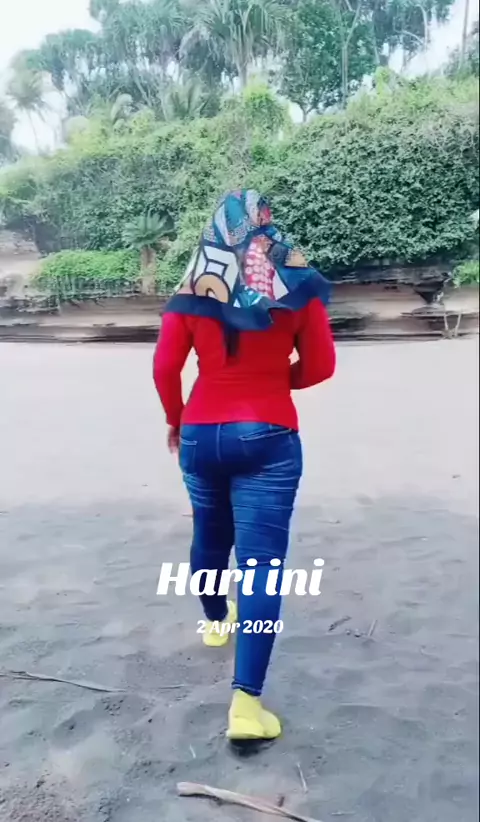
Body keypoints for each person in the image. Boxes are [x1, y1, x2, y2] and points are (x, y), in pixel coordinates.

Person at [153, 189, 336, 742]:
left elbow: (164, 367)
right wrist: (274, 382)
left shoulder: (192, 289)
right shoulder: (295, 286)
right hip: (268, 434)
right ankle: (246, 707)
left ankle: (215, 622)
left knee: (209, 536)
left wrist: (176, 420)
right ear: (269, 226)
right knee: (261, 567)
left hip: (200, 434)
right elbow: (321, 365)